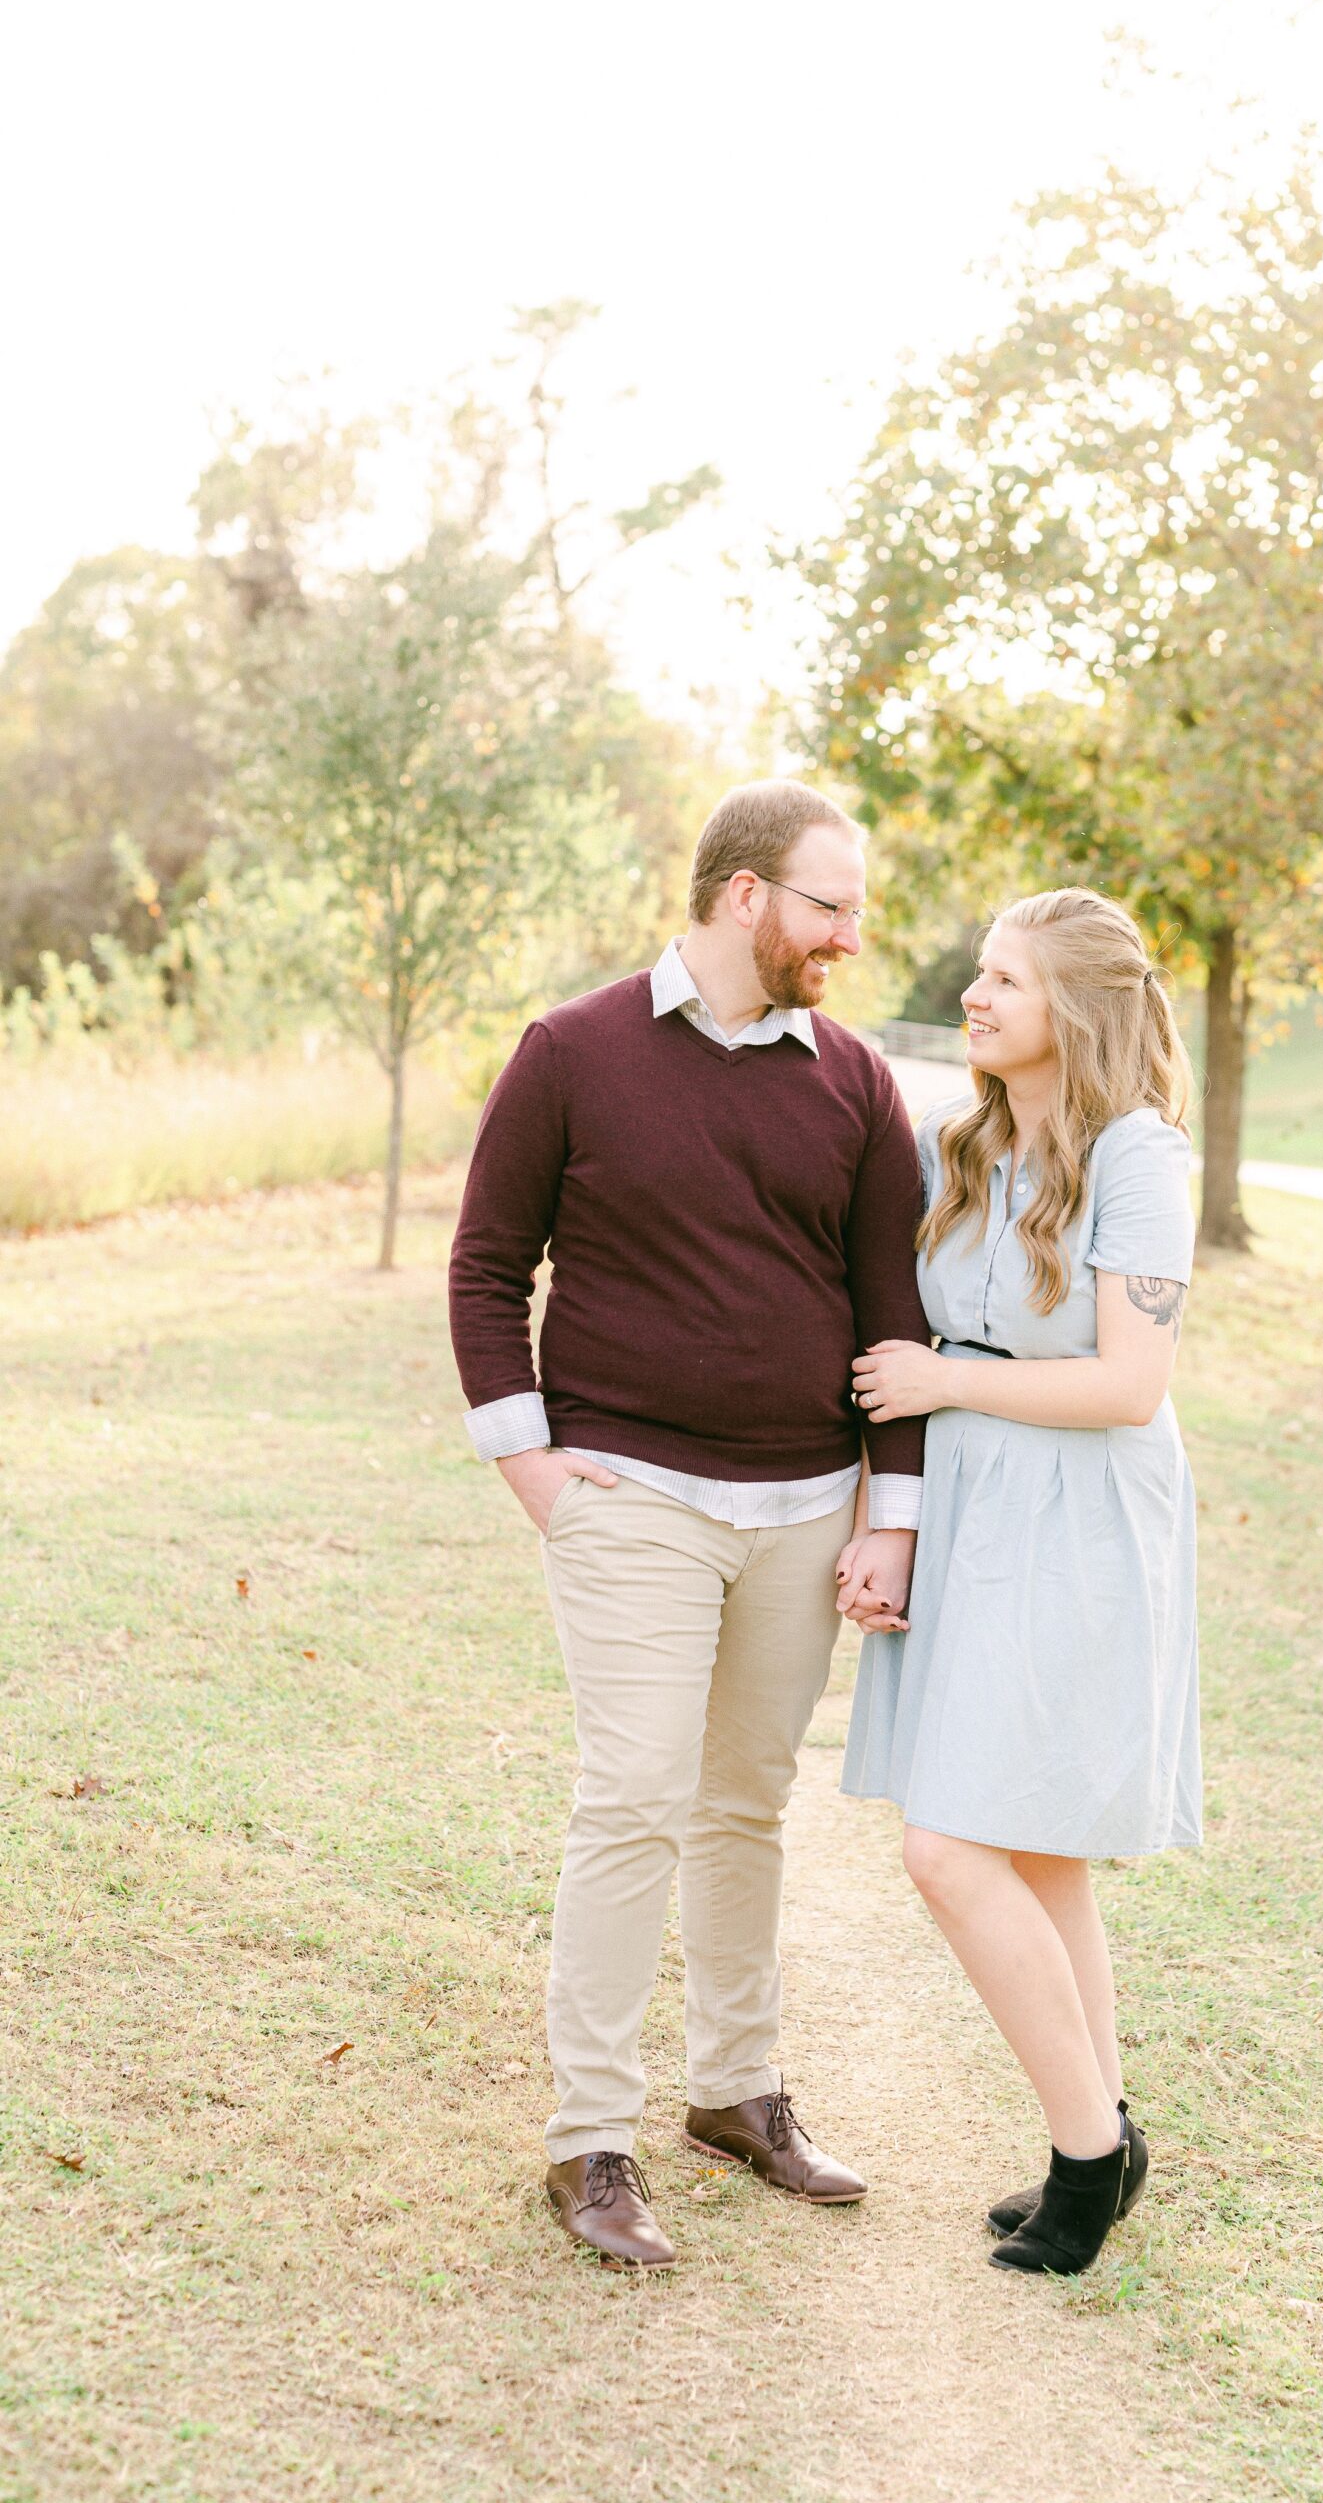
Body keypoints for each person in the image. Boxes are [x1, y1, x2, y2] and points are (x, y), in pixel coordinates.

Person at [448, 780, 928, 2270]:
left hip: (800, 1510)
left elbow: (891, 1315)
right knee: (636, 1796)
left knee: (743, 1805)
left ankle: (739, 2095)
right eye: (829, 905)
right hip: (630, 1499)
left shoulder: (856, 1084)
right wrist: (533, 1468)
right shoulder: (572, 1052)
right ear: (744, 895)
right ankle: (590, 2137)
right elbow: (484, 1268)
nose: (849, 935)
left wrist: (888, 1515)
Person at [840, 887, 1199, 2277]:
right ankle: (1107, 2124)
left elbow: (1129, 1384)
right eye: (979, 974)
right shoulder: (968, 1148)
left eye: (1005, 980)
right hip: (980, 1506)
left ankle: (1086, 2156)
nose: (975, 996)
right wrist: (897, 1517)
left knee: (951, 1846)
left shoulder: (1139, 1158)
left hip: (1085, 1521)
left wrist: (947, 1379)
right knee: (1034, 1842)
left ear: (1079, 1014)